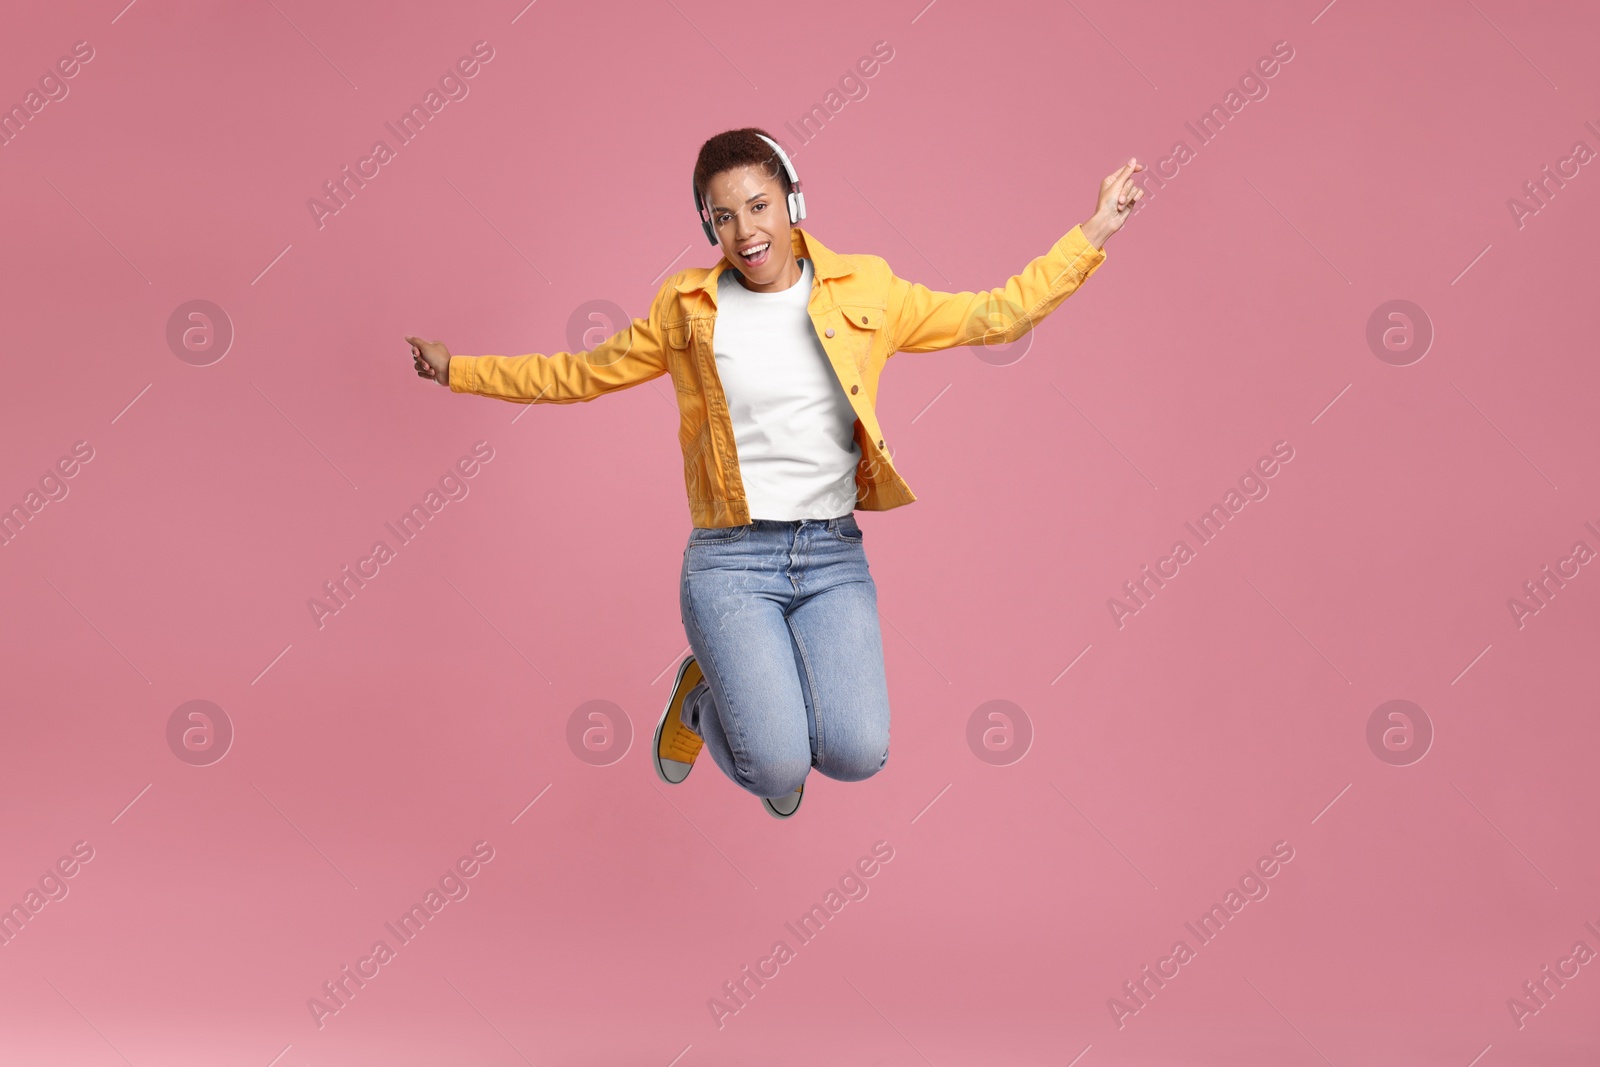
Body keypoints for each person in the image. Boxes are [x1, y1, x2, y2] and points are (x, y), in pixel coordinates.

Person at [407, 127, 1142, 819]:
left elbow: (997, 315)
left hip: (831, 554)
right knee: (777, 769)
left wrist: (1097, 229)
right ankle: (698, 698)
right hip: (730, 560)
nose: (745, 231)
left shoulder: (868, 290)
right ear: (708, 227)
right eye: (722, 217)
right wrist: (457, 371)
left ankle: (725, 698)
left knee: (858, 753)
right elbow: (579, 373)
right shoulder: (686, 307)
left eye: (758, 206)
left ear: (793, 202)